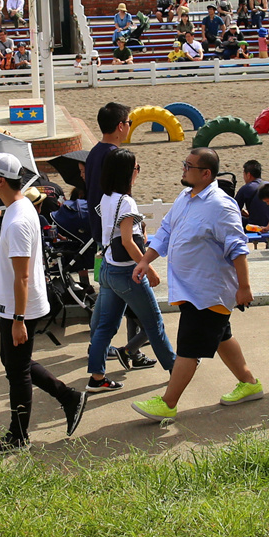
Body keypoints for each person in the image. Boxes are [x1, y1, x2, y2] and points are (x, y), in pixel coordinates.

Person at [129, 147, 264, 423]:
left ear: (206, 173)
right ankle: (250, 384)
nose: (183, 168)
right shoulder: (184, 197)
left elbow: (238, 248)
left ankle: (168, 403)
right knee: (221, 337)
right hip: (189, 289)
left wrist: (244, 287)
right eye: (184, 163)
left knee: (189, 347)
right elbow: (166, 230)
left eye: (188, 165)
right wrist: (145, 260)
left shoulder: (221, 205)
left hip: (208, 291)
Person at [0, 151, 87, 452]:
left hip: (19, 305)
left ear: (0, 181)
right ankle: (67, 397)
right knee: (14, 364)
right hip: (14, 303)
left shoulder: (18, 221)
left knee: (17, 370)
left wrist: (19, 319)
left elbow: (22, 276)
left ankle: (19, 435)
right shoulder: (18, 206)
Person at [84, 148, 177, 394]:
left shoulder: (106, 197)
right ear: (128, 172)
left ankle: (97, 377)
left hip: (107, 268)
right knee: (154, 322)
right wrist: (148, 268)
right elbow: (127, 241)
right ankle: (175, 368)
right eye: (137, 168)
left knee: (105, 327)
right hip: (127, 273)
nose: (137, 173)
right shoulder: (126, 201)